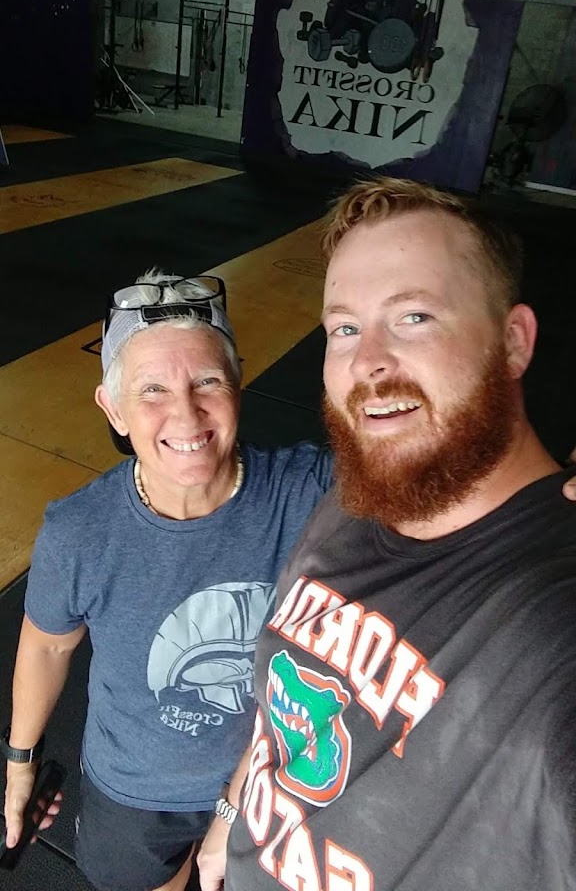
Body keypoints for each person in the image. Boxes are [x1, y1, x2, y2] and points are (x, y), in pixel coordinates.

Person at [210, 177, 576, 891]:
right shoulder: (360, 495)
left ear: (514, 341)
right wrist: (234, 812)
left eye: (413, 316)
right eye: (344, 328)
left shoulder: (550, 617)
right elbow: (285, 700)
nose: (366, 362)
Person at [2, 270, 333, 891]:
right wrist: (20, 763)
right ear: (113, 409)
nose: (185, 413)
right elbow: (47, 646)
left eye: (207, 381)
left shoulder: (314, 492)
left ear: (237, 385)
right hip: (133, 787)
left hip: (276, 775)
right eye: (151, 389)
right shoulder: (79, 530)